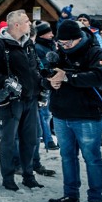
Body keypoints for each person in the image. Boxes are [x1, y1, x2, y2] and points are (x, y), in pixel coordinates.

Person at [45, 20, 102, 202]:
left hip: (87, 114)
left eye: (68, 43)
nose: (64, 46)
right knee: (67, 156)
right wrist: (50, 82)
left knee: (92, 157)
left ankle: (95, 197)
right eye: (61, 43)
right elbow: (47, 73)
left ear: (78, 38)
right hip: (61, 114)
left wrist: (68, 77)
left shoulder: (94, 51)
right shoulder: (59, 52)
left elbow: (98, 77)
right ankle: (70, 194)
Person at [0, 9, 43, 191]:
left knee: (30, 139)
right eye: (26, 21)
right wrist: (7, 82)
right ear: (16, 25)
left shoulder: (28, 44)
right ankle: (8, 177)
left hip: (30, 99)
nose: (29, 24)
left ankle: (28, 175)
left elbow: (34, 69)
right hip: (10, 100)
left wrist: (42, 85)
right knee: (9, 140)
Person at [34, 22, 58, 150]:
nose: (52, 35)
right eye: (49, 32)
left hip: (54, 81)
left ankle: (51, 138)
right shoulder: (38, 47)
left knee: (51, 113)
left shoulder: (51, 45)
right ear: (42, 34)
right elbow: (43, 65)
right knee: (45, 113)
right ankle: (48, 139)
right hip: (45, 83)